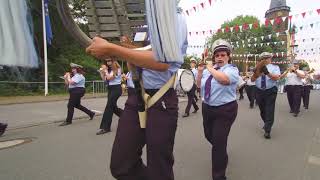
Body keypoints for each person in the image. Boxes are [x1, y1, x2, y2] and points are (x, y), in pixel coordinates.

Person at [86, 3, 188, 180]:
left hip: (161, 98)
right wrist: (125, 47)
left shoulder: (174, 18)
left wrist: (113, 49)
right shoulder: (142, 21)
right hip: (135, 97)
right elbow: (141, 53)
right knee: (121, 165)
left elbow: (163, 61)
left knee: (160, 169)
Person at [197, 39, 239, 180]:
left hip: (225, 110)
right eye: (217, 55)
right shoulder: (209, 71)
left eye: (223, 55)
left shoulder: (232, 69)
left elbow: (224, 80)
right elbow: (199, 86)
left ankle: (219, 176)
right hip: (207, 107)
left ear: (228, 56)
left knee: (218, 144)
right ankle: (221, 151)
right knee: (209, 136)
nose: (219, 58)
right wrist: (200, 71)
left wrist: (209, 68)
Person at [252, 52, 280, 139]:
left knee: (270, 109)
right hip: (259, 90)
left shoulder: (275, 67)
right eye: (263, 58)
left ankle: (267, 130)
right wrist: (257, 73)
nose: (265, 59)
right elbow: (252, 80)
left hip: (270, 90)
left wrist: (267, 73)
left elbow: (277, 78)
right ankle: (266, 123)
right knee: (262, 110)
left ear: (270, 58)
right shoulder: (257, 68)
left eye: (267, 58)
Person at [97, 58, 123, 135]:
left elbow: (110, 78)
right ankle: (126, 116)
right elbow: (105, 80)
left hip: (116, 89)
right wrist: (102, 73)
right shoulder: (109, 70)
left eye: (109, 61)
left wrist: (104, 71)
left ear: (113, 61)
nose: (108, 63)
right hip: (110, 88)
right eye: (107, 61)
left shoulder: (117, 69)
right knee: (113, 107)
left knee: (109, 107)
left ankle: (105, 127)